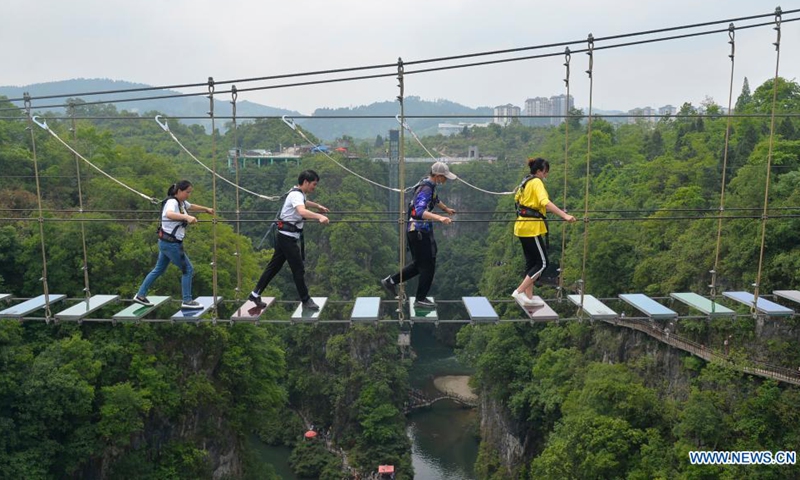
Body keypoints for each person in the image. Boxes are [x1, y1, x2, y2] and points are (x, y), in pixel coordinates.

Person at [248, 170, 329, 310]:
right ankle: (305, 299)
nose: (314, 187)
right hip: (287, 238)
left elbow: (304, 203)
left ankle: (255, 294)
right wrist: (319, 216)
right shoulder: (296, 195)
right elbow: (302, 211)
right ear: (305, 182)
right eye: (313, 184)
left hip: (285, 235)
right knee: (298, 269)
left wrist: (317, 206)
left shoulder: (298, 194)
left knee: (274, 267)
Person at [381, 162, 456, 309]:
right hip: (419, 231)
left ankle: (390, 281)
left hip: (419, 231)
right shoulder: (426, 188)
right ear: (438, 176)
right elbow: (419, 212)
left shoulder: (429, 186)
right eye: (445, 177)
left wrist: (446, 209)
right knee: (428, 265)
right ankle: (420, 299)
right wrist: (440, 218)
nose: (446, 180)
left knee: (419, 265)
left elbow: (435, 200)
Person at [134, 180, 214, 309]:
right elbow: (169, 214)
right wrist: (186, 218)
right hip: (171, 244)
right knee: (188, 269)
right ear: (179, 191)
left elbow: (191, 206)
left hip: (166, 242)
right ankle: (187, 300)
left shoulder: (180, 202)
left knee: (159, 269)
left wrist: (206, 210)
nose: (189, 195)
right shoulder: (172, 202)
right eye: (187, 192)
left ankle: (140, 295)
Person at [512, 157, 576, 307]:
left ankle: (528, 296)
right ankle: (519, 292)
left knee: (531, 263)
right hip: (531, 228)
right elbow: (544, 202)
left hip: (521, 226)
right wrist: (565, 216)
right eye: (545, 172)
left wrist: (559, 211)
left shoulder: (526, 182)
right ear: (539, 171)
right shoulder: (536, 182)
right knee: (542, 263)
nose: (546, 175)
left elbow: (528, 204)